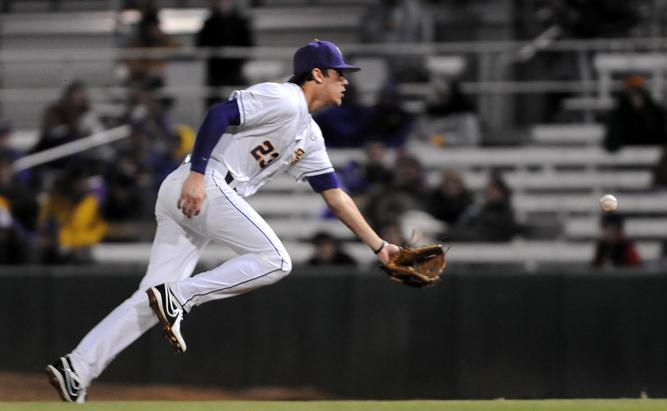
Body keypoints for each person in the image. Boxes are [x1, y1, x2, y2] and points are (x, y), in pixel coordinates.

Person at [46, 40, 401, 403]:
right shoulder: (284, 97)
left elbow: (335, 196)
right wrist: (198, 175)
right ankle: (181, 297)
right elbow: (219, 113)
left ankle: (77, 367)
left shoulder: (309, 135)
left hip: (189, 192)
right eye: (339, 74)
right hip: (204, 182)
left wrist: (379, 245)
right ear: (316, 74)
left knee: (150, 299)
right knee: (275, 261)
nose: (345, 81)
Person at [196, 0, 254, 108]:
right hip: (215, 71)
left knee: (237, 102)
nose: (223, 3)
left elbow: (248, 45)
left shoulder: (240, 22)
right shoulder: (209, 23)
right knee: (213, 101)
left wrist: (236, 55)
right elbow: (200, 44)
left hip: (235, 70)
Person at [603, 75, 667, 152]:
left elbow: (661, 136)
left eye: (638, 91)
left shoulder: (657, 111)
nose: (635, 95)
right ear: (625, 94)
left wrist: (643, 112)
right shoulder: (616, 114)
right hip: (625, 155)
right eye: (631, 92)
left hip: (652, 152)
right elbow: (612, 141)